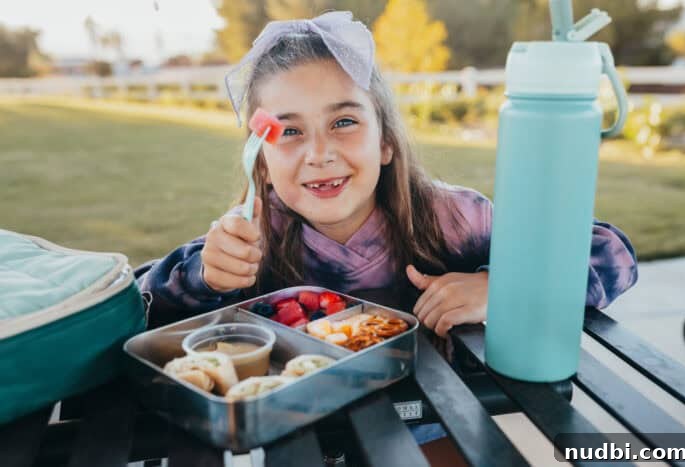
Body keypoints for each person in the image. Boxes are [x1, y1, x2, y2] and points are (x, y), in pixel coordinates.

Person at [138, 11, 638, 465]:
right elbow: (140, 306)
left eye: (345, 122)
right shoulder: (252, 235)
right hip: (301, 441)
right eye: (288, 132)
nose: (319, 153)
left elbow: (609, 251)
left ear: (387, 143)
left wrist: (503, 287)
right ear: (262, 165)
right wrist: (204, 274)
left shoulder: (450, 217)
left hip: (437, 426)